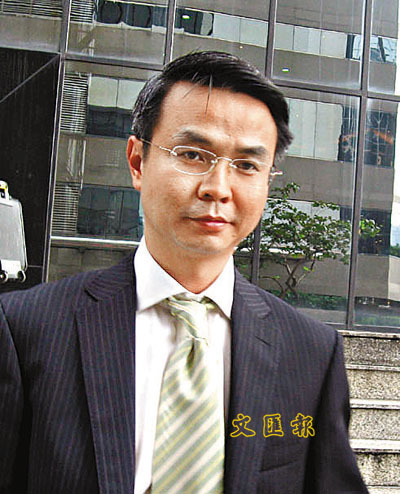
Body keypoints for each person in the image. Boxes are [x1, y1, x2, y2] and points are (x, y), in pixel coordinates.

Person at [0, 51, 368, 494]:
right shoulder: (27, 329)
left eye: (247, 165)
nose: (218, 188)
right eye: (193, 154)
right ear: (138, 162)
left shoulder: (310, 351)